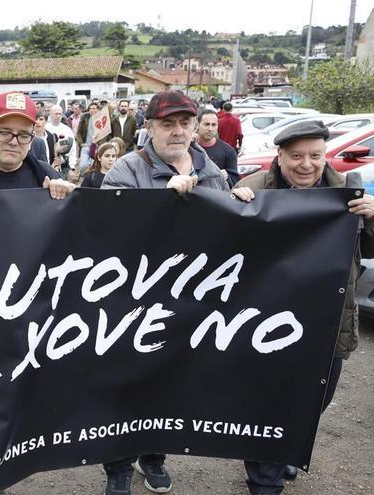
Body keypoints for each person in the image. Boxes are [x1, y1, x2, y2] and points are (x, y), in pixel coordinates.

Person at [231, 120, 374, 494]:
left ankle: (286, 445)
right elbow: (222, 248)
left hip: (326, 323)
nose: (306, 164)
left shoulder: (346, 192)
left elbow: (369, 252)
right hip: (264, 323)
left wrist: (373, 220)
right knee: (265, 401)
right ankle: (265, 480)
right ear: (279, 157)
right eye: (296, 156)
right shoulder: (253, 188)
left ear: (325, 155)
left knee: (313, 400)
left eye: (315, 155)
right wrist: (233, 207)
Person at [101, 90, 229, 495]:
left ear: (194, 126)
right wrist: (163, 202)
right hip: (132, 304)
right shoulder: (125, 170)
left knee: (169, 385)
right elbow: (107, 236)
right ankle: (118, 467)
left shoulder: (214, 173)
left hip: (189, 304)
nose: (177, 132)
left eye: (184, 123)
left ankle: (153, 457)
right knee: (124, 387)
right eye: (167, 124)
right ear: (150, 128)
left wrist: (243, 202)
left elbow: (229, 237)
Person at [196, 109, 239, 186]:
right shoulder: (189, 148)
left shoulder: (228, 151)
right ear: (198, 124)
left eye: (213, 125)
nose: (210, 129)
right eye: (206, 124)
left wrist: (227, 176)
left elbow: (235, 179)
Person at [76, 102, 111, 171]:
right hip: (86, 146)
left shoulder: (102, 119)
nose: (91, 110)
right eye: (90, 108)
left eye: (94, 108)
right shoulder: (85, 118)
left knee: (94, 166)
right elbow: (79, 132)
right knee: (83, 166)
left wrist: (99, 146)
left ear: (98, 110)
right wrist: (81, 143)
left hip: (96, 147)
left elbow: (105, 135)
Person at [46, 104, 78, 173]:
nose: (58, 116)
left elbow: (73, 149)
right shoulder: (45, 128)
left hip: (64, 165)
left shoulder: (67, 130)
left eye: (59, 114)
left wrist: (72, 166)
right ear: (50, 114)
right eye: (56, 114)